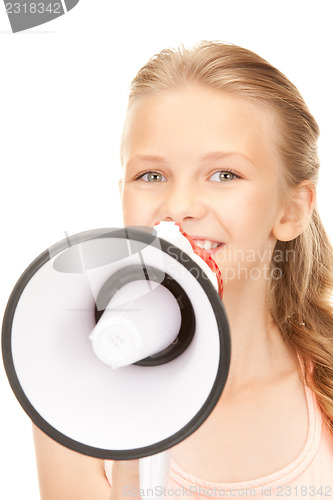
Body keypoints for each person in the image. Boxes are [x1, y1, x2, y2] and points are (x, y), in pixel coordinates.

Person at [33, 41, 333, 499]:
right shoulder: (76, 395)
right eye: (151, 176)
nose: (178, 208)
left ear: (291, 211)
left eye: (224, 175)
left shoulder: (323, 386)